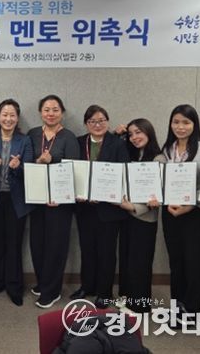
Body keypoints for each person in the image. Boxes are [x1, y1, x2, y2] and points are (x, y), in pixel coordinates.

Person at [159, 104, 200, 323]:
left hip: (195, 215)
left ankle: (191, 311)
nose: (180, 127)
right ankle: (177, 308)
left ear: (194, 124)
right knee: (176, 262)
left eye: (186, 122)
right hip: (170, 212)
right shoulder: (168, 149)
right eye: (176, 122)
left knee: (193, 263)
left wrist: (190, 205)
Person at [74, 105, 129, 308]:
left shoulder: (118, 143)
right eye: (93, 121)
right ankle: (87, 286)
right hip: (84, 208)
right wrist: (77, 193)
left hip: (109, 209)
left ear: (108, 121)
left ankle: (105, 292)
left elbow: (123, 172)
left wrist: (104, 194)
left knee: (106, 252)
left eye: (101, 120)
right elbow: (72, 171)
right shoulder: (79, 142)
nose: (97, 125)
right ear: (86, 124)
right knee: (87, 249)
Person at [27, 95, 79, 309]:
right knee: (37, 243)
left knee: (55, 246)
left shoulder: (69, 137)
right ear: (41, 112)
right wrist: (39, 161)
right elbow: (26, 163)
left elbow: (72, 169)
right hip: (37, 199)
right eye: (47, 109)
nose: (51, 113)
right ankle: (42, 282)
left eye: (55, 109)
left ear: (62, 113)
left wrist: (53, 161)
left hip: (60, 203)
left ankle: (52, 291)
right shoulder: (33, 134)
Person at [0, 99, 34, 307]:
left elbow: (29, 171)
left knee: (14, 244)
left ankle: (14, 286)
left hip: (16, 200)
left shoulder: (25, 140)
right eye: (4, 114)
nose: (8, 119)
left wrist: (17, 167)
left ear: (17, 118)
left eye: (12, 115)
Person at [117, 118, 161, 314]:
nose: (134, 137)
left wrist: (133, 207)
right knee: (127, 259)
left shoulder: (158, 158)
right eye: (131, 134)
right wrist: (117, 135)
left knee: (140, 263)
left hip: (144, 218)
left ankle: (141, 306)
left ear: (148, 132)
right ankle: (129, 298)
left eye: (138, 132)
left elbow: (157, 195)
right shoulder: (133, 155)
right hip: (127, 216)